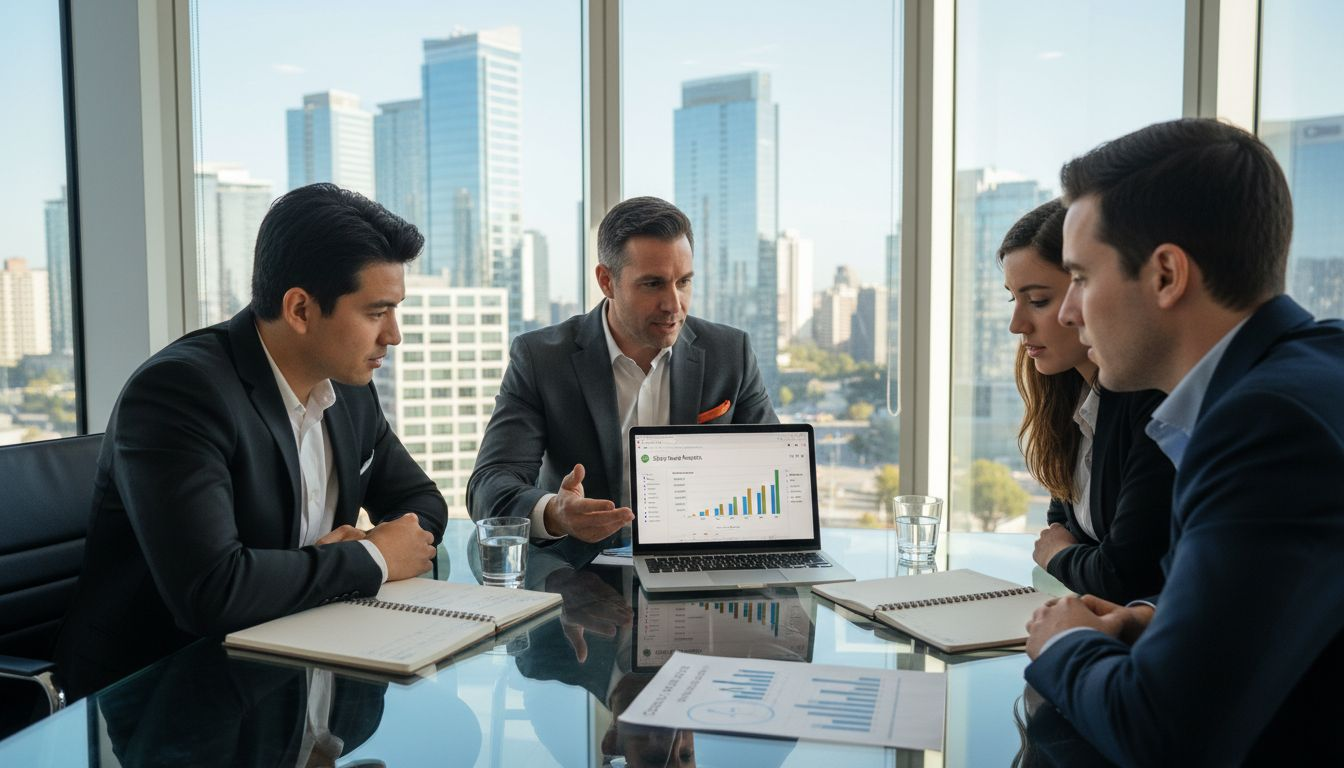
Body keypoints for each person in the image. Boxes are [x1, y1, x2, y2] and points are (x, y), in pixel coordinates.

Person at [1023, 118, 1344, 764]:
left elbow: (1164, 738)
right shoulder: (1312, 366)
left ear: (1167, 274)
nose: (1067, 312)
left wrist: (1064, 643)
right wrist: (1149, 618)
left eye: (1082, 277)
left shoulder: (1264, 425)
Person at [55, 184, 446, 699]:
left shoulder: (349, 389)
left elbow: (421, 504)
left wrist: (373, 549)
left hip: (304, 668)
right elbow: (211, 591)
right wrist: (371, 560)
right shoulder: (180, 393)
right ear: (301, 309)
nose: (392, 336)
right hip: (169, 694)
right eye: (376, 313)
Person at [467, 196, 778, 564]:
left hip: (701, 561)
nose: (674, 304)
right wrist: (556, 513)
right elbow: (490, 485)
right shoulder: (541, 359)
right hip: (578, 575)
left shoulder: (731, 353)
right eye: (653, 284)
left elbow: (772, 474)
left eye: (684, 282)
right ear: (606, 281)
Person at [1000, 199, 1174, 602]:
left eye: (1039, 300)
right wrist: (1072, 553)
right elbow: (1063, 525)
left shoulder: (1151, 402)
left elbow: (1122, 573)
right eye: (1014, 299)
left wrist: (1061, 556)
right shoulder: (1071, 395)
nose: (1017, 325)